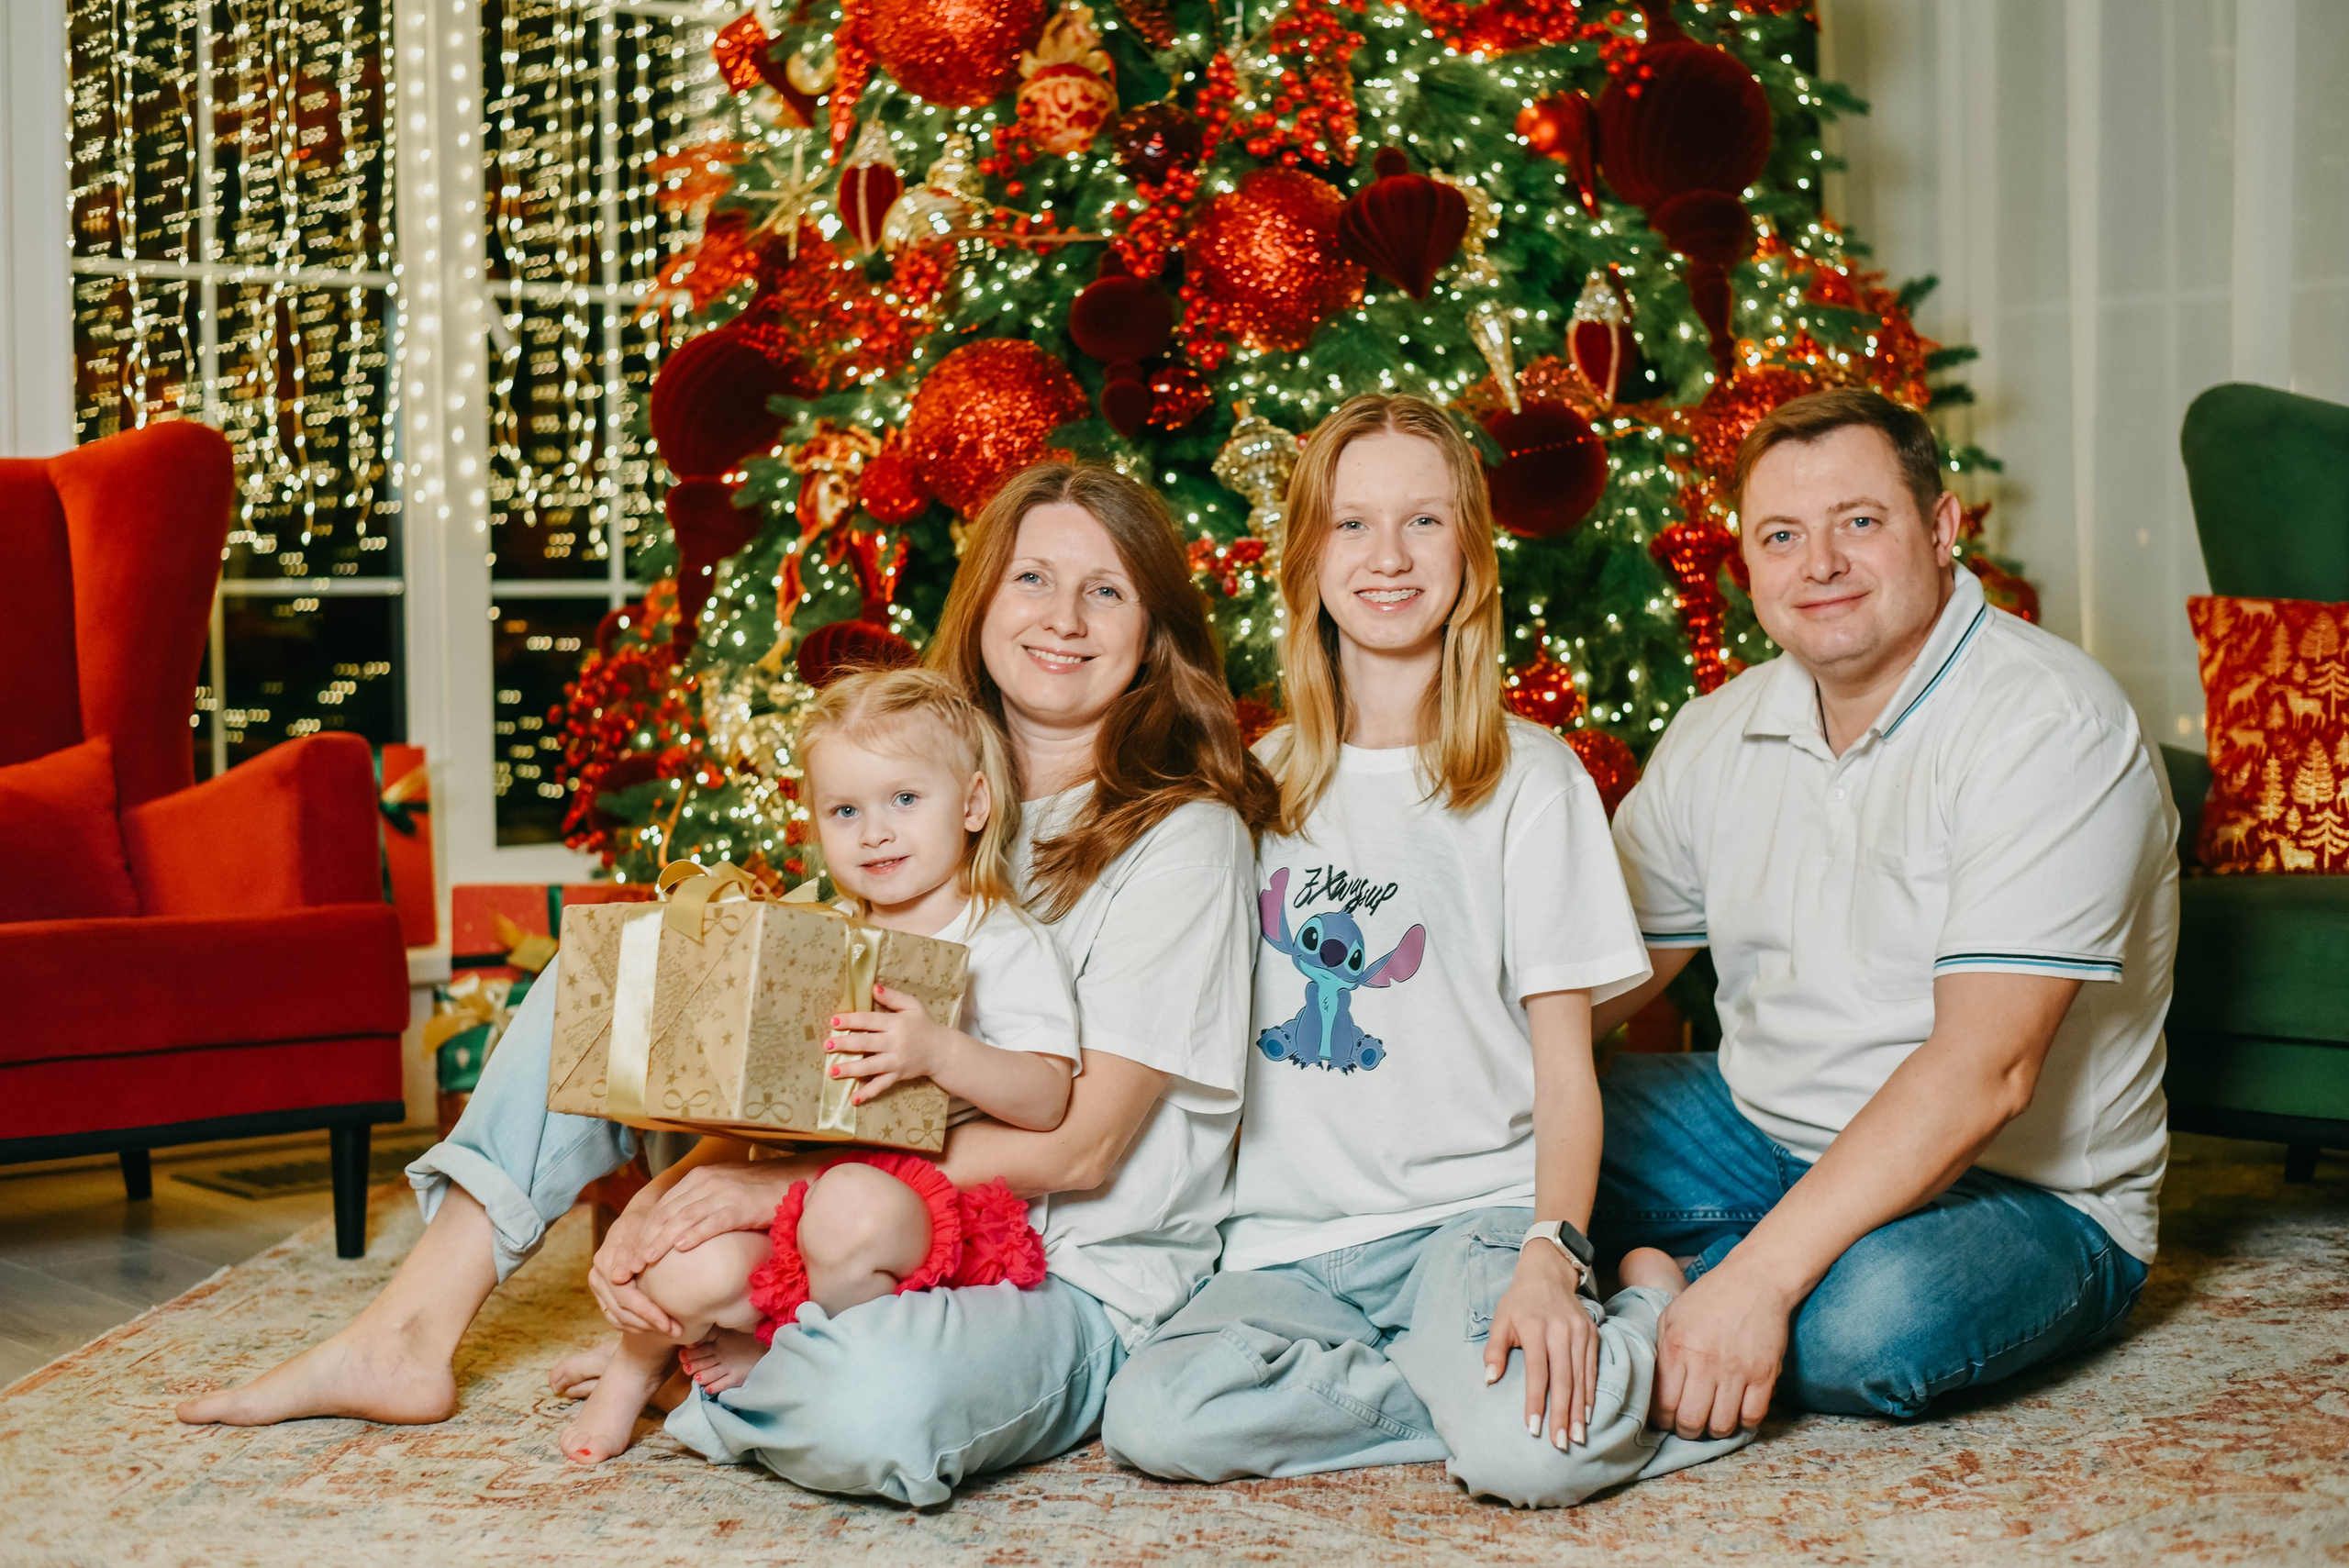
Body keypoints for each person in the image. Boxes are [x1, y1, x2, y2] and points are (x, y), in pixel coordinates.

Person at [178, 462, 1282, 1508]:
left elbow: (1080, 1146)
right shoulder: (903, 795)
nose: (1064, 616)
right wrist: (676, 1194)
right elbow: (808, 1071)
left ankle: (715, 1360)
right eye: (1033, 578)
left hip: (1062, 1275)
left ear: (1153, 637)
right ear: (984, 604)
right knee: (625, 970)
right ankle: (411, 1330)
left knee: (874, 1409)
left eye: (1106, 589)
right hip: (864, 1224)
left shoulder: (1182, 836)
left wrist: (757, 1196)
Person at [1099, 394, 1752, 1508]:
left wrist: (1553, 1247)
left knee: (1533, 1457)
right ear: (1305, 555)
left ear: (1471, 555)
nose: (1387, 557)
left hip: (1469, 1222)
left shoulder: (1530, 781)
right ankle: (1472, 1390)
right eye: (1350, 524)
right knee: (1156, 1415)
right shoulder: (1247, 786)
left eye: (1425, 521)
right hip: (1281, 1247)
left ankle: (1639, 1308)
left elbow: (1564, 1066)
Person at [1592, 388, 2176, 1441]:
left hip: (2019, 1192)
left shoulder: (2048, 724)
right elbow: (1597, 975)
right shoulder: (1718, 729)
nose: (1817, 563)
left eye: (1858, 522)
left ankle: (1685, 1282)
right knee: (1506, 1124)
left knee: (1870, 1325)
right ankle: (1693, 1281)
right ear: (1748, 560)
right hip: (1754, 1126)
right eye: (1781, 535)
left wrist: (1762, 1280)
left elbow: (1985, 1071)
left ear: (1944, 529)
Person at [556, 666, 1073, 1463]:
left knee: (849, 1203)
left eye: (905, 799)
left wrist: (939, 1049)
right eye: (846, 810)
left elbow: (1046, 1100)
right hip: (799, 1195)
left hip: (919, 1225)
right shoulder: (816, 936)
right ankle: (632, 1370)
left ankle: (787, 1355)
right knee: (685, 1264)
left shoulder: (1003, 941)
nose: (875, 831)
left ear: (972, 804)